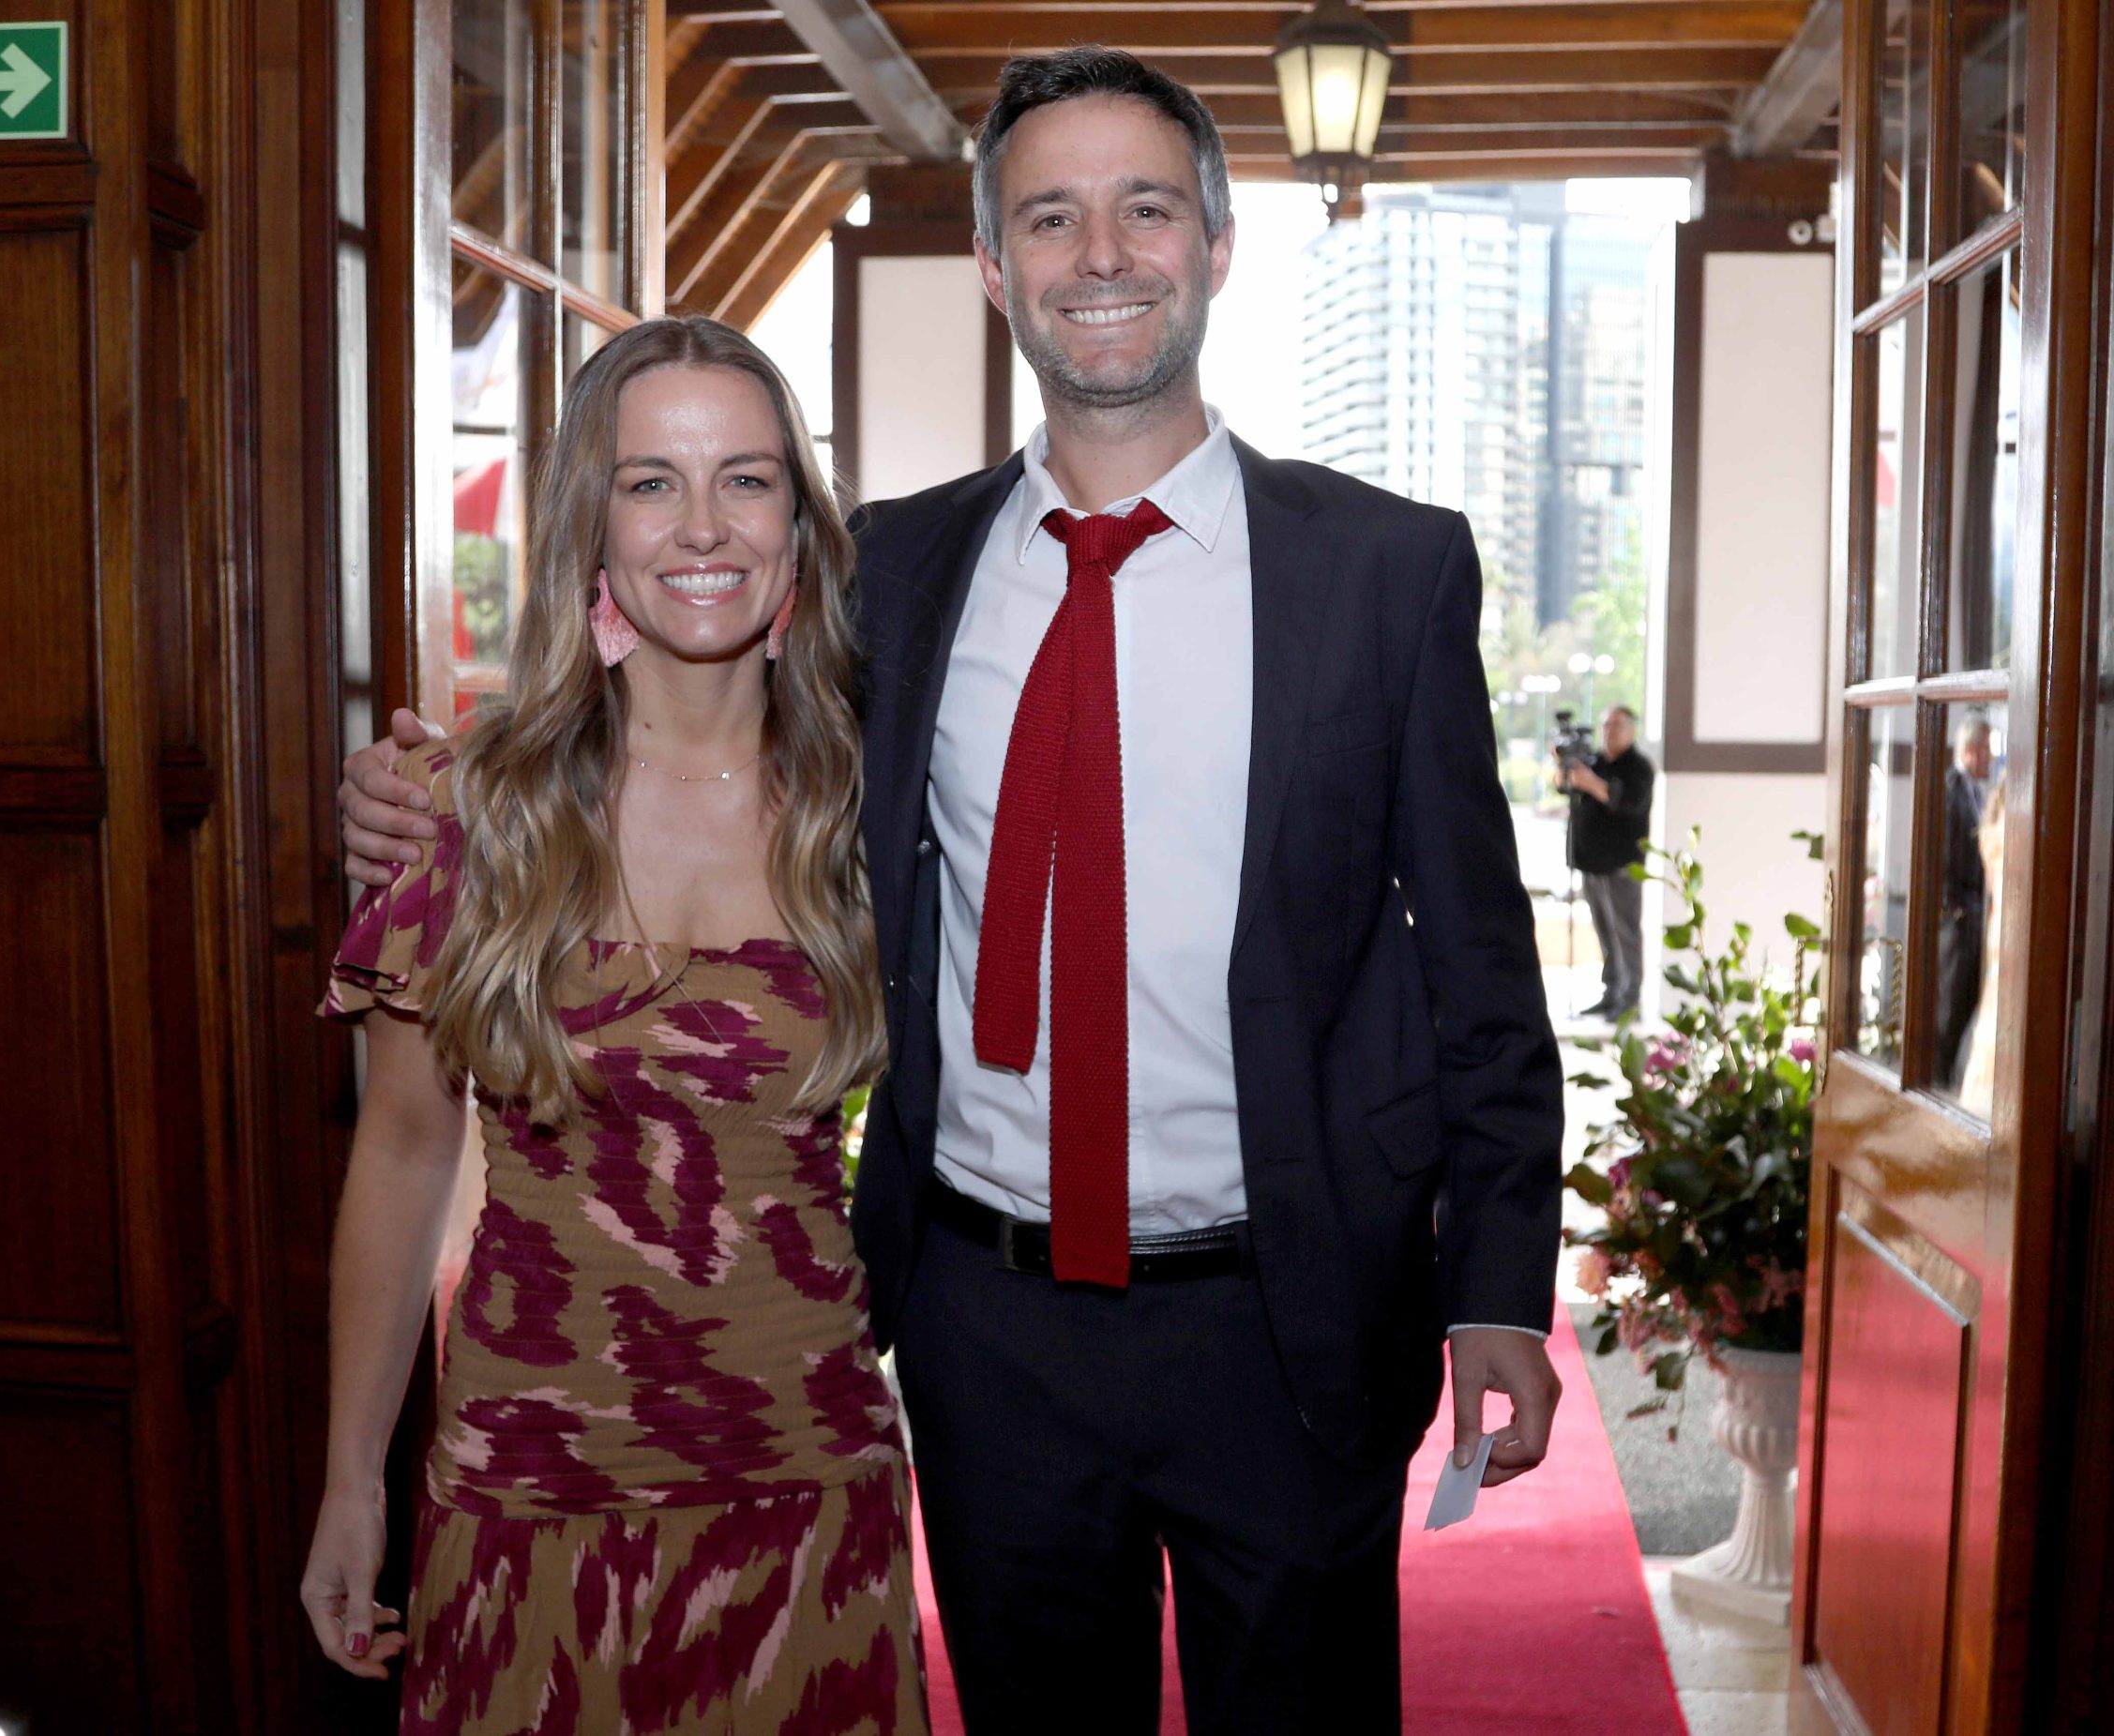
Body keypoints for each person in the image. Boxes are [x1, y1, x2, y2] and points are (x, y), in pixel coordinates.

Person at [343, 49, 1564, 1734]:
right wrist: (437, 787)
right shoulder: (898, 573)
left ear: (1216, 244)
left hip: (1285, 1317)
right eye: (1049, 217)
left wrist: (1496, 1282)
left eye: (1146, 209)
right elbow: (673, 669)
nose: (1101, 254)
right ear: (995, 264)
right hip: (987, 1328)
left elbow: (1482, 972)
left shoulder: (1385, 570)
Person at [302, 316, 928, 1733]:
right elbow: (402, 1155)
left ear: (800, 523)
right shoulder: (469, 813)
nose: (702, 526)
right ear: (592, 520)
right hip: (527, 1491)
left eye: (747, 479)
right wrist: (352, 1482)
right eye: (651, 482)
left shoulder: (877, 811)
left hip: (805, 1491)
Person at [1557, 705, 1655, 1020]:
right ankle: (1612, 991)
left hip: (1621, 865)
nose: (1610, 731)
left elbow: (1628, 803)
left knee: (1625, 932)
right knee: (1605, 933)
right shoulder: (1594, 761)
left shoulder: (1639, 767)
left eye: (1617, 725)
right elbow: (1563, 786)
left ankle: (1630, 998)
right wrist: (1563, 764)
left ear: (1631, 729)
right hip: (1591, 862)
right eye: (1606, 725)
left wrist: (1590, 782)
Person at [1935, 711, 1995, 1086]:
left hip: (1974, 918)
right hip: (1957, 920)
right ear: (1971, 750)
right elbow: (1943, 853)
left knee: (1967, 1005)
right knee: (1950, 1006)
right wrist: (1955, 908)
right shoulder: (1951, 789)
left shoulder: (1976, 792)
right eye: (1986, 748)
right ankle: (1938, 1081)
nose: (1990, 756)